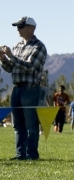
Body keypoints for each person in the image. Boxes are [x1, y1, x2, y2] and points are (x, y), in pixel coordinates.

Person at [0, 16, 47, 160]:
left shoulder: (39, 47)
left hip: (30, 89)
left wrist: (11, 57)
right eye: (17, 27)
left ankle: (31, 154)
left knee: (31, 124)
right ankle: (20, 154)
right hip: (17, 89)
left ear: (31, 28)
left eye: (21, 26)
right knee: (17, 124)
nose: (18, 29)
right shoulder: (17, 46)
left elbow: (31, 67)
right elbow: (11, 69)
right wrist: (3, 59)